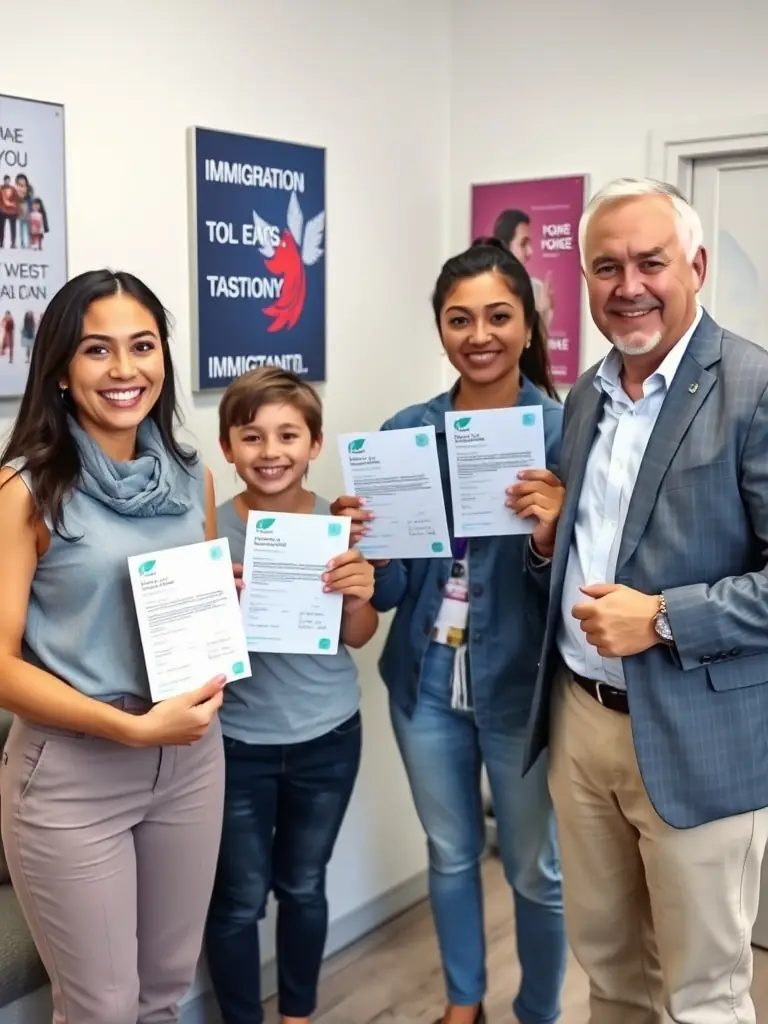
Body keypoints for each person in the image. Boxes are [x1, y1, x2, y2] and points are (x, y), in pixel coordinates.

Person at [521, 177, 768, 1024]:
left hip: (696, 734)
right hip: (580, 723)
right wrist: (549, 543)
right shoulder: (586, 395)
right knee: (612, 973)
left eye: (650, 263)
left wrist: (661, 617)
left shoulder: (753, 386)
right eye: (606, 267)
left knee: (701, 992)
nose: (628, 286)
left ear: (694, 266)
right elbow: (599, 539)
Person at [333, 238, 566, 1024]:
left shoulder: (566, 433)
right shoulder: (408, 430)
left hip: (520, 690)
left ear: (529, 325)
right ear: (440, 329)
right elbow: (394, 588)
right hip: (425, 682)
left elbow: (587, 583)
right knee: (450, 854)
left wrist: (548, 533)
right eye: (459, 318)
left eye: (499, 316)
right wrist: (363, 545)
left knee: (536, 869)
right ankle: (462, 1001)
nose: (480, 334)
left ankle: (537, 1010)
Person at [0, 269, 229, 1024]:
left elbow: (181, 614)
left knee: (165, 990)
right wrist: (130, 729)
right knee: (101, 1007)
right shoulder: (26, 490)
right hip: (77, 771)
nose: (125, 370)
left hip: (191, 756)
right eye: (98, 350)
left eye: (143, 346)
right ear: (62, 369)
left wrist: (226, 594)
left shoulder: (190, 476)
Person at [206, 367, 378, 1024]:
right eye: (252, 437)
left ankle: (297, 1016)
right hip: (236, 745)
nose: (270, 451)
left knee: (303, 885)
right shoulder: (207, 530)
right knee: (238, 898)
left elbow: (358, 636)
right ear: (227, 447)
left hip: (327, 739)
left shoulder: (340, 527)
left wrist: (358, 592)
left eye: (287, 435)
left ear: (315, 444)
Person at [493, 209, 554, 332]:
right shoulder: (481, 288)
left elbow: (538, 347)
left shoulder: (536, 289)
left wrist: (544, 315)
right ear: (505, 247)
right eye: (523, 244)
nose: (530, 252)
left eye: (529, 244)